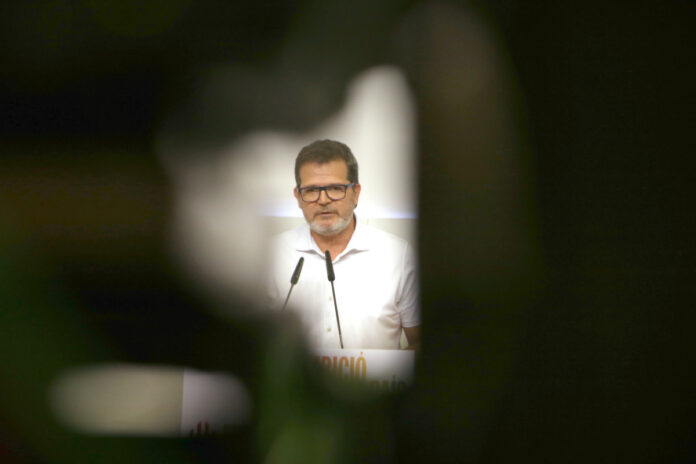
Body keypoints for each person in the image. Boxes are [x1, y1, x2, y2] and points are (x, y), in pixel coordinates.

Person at [267, 139, 420, 350]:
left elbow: (421, 342)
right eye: (311, 190)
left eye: (335, 188)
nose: (323, 200)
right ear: (298, 197)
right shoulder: (271, 255)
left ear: (355, 193)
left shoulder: (397, 255)